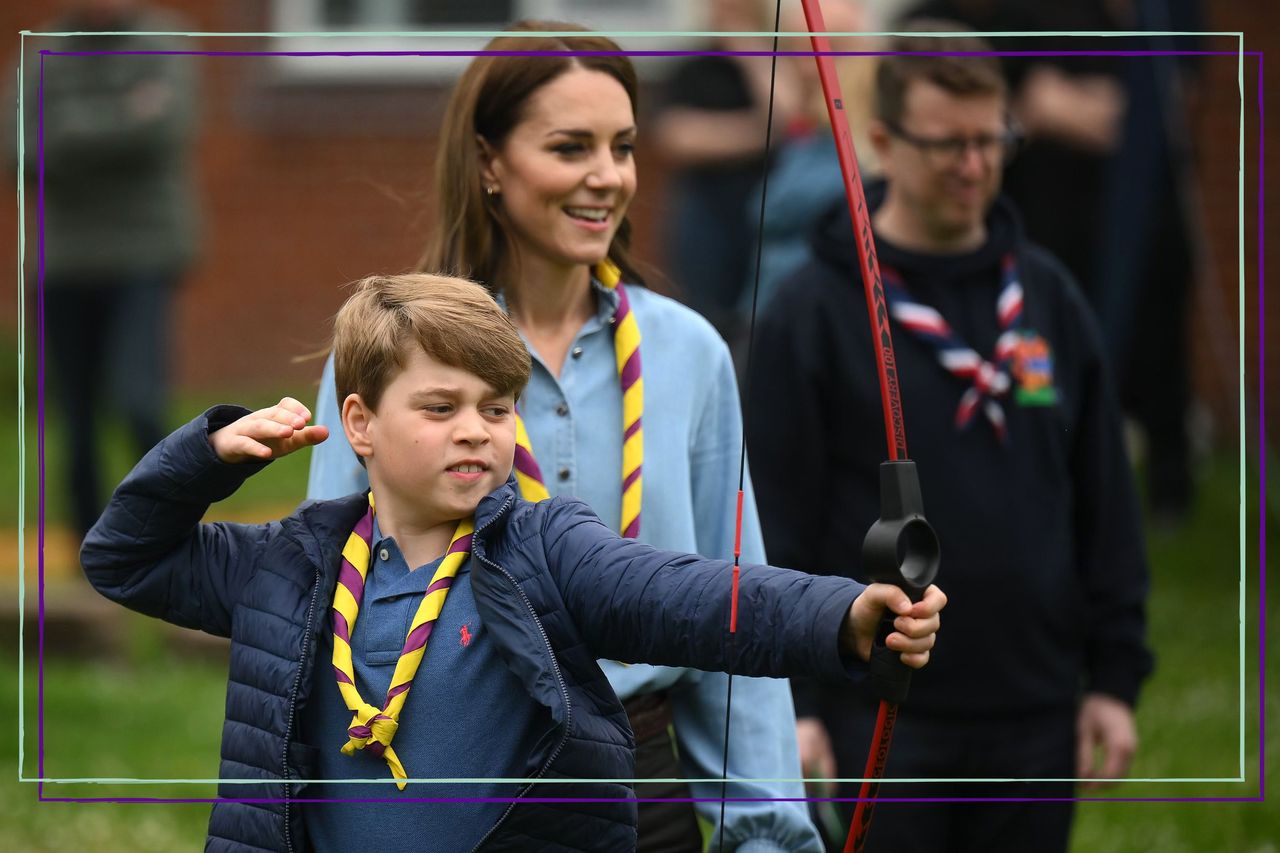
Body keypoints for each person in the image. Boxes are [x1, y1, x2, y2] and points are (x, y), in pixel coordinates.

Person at [80, 272, 947, 852]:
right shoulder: (290, 562)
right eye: (441, 404)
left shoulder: (544, 545)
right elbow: (126, 559)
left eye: (498, 407)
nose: (476, 428)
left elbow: (686, 595)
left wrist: (841, 616)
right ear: (359, 422)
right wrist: (207, 456)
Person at [307, 21, 824, 853]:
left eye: (620, 147)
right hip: (455, 787)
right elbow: (325, 605)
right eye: (569, 146)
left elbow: (733, 606)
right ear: (489, 165)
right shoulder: (389, 354)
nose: (606, 177)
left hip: (641, 788)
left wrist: (764, 830)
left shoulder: (688, 353)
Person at [747, 25, 1153, 853]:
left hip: (1036, 704)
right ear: (885, 140)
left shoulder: (1046, 295)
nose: (975, 166)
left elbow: (1103, 495)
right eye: (947, 145)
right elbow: (776, 517)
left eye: (991, 139)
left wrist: (1113, 676)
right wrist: (802, 704)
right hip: (885, 709)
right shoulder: (815, 310)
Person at [17, 0, 200, 539]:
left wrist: (67, 127)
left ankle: (165, 531)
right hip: (61, 260)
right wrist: (122, 117)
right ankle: (90, 544)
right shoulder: (41, 46)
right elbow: (19, 148)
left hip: (143, 256)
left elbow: (164, 131)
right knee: (73, 417)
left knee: (139, 400)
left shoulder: (164, 40)